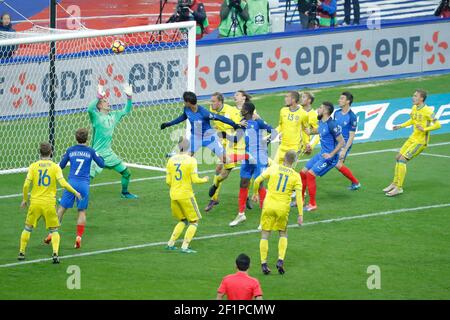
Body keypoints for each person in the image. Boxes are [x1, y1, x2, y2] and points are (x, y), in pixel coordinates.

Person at [18, 142, 81, 263]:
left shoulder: (33, 166)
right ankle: (55, 254)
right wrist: (75, 192)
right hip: (49, 204)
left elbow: (26, 185)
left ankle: (21, 252)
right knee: (54, 230)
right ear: (51, 152)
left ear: (39, 152)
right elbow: (63, 183)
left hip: (35, 203)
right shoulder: (55, 167)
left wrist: (25, 199)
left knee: (27, 228)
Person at [44, 128, 105, 249]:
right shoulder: (91, 151)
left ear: (76, 138)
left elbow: (60, 166)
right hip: (83, 185)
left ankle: (52, 233)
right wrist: (99, 156)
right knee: (81, 211)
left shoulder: (70, 150)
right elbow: (102, 164)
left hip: (71, 183)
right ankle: (78, 237)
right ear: (87, 139)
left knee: (61, 209)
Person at [161, 91, 244, 169]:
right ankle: (176, 156)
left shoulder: (204, 113)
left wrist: (234, 125)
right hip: (196, 137)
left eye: (185, 101)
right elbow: (183, 117)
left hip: (209, 137)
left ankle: (244, 156)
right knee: (187, 158)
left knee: (225, 160)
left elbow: (219, 118)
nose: (184, 102)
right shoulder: (186, 109)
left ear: (189, 102)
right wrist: (168, 124)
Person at [252, 150, 303, 275]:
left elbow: (257, 181)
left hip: (268, 205)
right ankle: (280, 260)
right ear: (295, 161)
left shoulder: (274, 168)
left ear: (284, 158)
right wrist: (300, 214)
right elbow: (299, 197)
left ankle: (264, 263)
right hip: (282, 208)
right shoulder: (296, 176)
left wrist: (254, 194)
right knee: (283, 233)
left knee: (265, 235)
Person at [383, 90, 441, 197]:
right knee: (398, 157)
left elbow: (438, 125)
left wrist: (425, 129)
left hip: (420, 141)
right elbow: (412, 121)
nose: (412, 97)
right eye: (413, 95)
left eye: (415, 96)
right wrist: (400, 126)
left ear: (421, 99)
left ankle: (399, 188)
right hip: (412, 138)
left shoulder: (428, 111)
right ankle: (394, 183)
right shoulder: (414, 108)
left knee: (402, 160)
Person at [229, 102, 276, 227]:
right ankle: (241, 214)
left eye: (243, 108)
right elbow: (235, 139)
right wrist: (223, 135)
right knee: (243, 182)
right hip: (248, 156)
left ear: (248, 111)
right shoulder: (242, 122)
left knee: (260, 184)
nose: (241, 110)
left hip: (260, 157)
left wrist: (266, 142)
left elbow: (274, 132)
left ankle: (265, 218)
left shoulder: (258, 122)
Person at [88, 83, 138, 199]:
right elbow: (90, 108)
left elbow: (126, 110)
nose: (108, 102)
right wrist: (98, 97)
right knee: (86, 179)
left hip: (109, 154)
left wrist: (129, 97)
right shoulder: (95, 117)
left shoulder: (113, 116)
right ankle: (71, 197)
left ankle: (125, 193)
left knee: (126, 173)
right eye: (105, 101)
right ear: (99, 105)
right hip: (96, 155)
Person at [166, 137, 209, 253]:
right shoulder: (191, 160)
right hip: (186, 195)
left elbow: (168, 182)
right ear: (189, 147)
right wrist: (205, 179)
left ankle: (170, 243)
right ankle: (185, 246)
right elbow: (195, 179)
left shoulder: (171, 160)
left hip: (173, 195)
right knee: (194, 222)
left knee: (183, 220)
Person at [300, 102, 345, 211]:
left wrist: (331, 154)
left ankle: (312, 204)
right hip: (321, 154)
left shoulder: (332, 125)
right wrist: (308, 131)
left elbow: (342, 141)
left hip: (329, 157)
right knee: (302, 172)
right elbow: (319, 130)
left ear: (325, 111)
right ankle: (300, 200)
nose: (317, 109)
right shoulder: (321, 122)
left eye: (320, 108)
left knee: (310, 175)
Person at [205, 92, 242, 212]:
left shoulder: (231, 111)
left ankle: (250, 195)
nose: (211, 103)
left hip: (233, 143)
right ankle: (214, 198)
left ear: (220, 102)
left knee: (226, 172)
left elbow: (240, 128)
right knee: (218, 169)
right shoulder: (212, 109)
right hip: (222, 141)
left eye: (213, 101)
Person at [334, 91, 360, 190]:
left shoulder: (352, 117)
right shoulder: (336, 113)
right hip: (335, 143)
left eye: (342, 98)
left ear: (348, 101)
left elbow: (351, 136)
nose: (339, 100)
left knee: (338, 164)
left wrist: (344, 149)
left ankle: (356, 182)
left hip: (344, 144)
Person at [274, 91, 308, 165]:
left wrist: (307, 143)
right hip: (282, 145)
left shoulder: (303, 114)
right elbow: (281, 125)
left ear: (293, 99)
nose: (285, 99)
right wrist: (273, 133)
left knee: (287, 172)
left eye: (287, 97)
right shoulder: (283, 111)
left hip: (294, 147)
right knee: (274, 168)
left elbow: (305, 129)